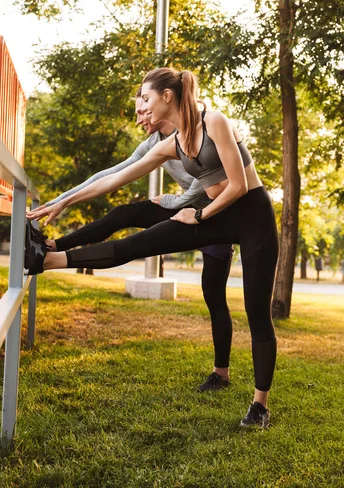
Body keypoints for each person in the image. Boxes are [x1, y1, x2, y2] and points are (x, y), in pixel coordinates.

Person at [27, 67, 279, 429]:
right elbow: (115, 177)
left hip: (252, 215)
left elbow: (238, 186)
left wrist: (198, 214)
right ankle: (48, 258)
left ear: (167, 96)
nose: (140, 108)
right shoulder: (168, 144)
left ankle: (260, 406)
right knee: (137, 244)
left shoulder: (216, 121)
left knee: (257, 313)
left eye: (145, 98)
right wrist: (63, 201)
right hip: (209, 215)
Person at [31, 90, 234, 392]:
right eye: (138, 112)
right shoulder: (153, 144)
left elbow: (206, 179)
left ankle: (221, 373)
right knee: (124, 213)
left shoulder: (200, 127)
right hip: (179, 210)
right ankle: (53, 246)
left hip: (214, 215)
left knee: (213, 295)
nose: (140, 118)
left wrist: (175, 200)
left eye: (143, 110)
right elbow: (109, 174)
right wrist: (57, 202)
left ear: (163, 102)